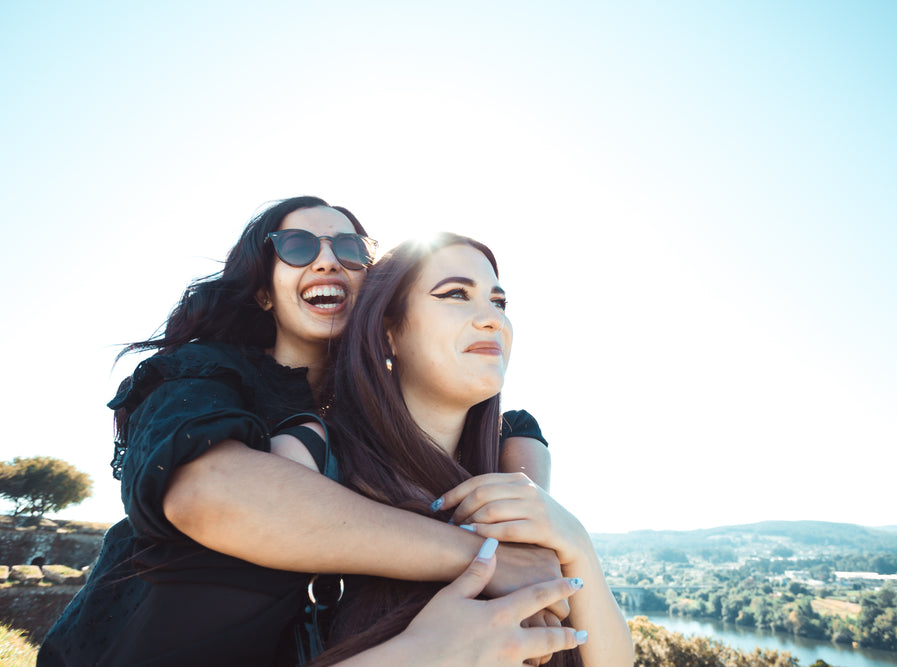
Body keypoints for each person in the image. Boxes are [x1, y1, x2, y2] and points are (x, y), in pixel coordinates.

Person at [38, 197, 570, 666]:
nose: (326, 259)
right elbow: (211, 494)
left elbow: (516, 470)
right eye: (295, 246)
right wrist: (483, 558)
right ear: (264, 293)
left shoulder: (375, 423)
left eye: (350, 248)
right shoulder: (210, 374)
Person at [269, 233, 632, 666]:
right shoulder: (310, 456)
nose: (492, 319)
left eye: (499, 303)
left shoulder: (513, 471)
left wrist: (577, 544)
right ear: (389, 333)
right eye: (456, 294)